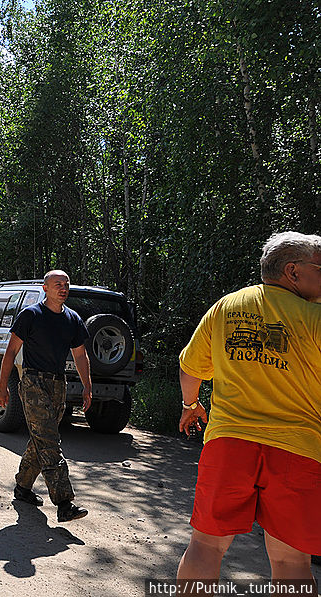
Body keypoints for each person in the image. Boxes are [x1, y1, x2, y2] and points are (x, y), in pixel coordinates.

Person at [176, 231, 321, 593]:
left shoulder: (227, 306)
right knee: (291, 561)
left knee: (206, 546)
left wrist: (190, 405)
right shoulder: (315, 317)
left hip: (229, 444)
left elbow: (190, 369)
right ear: (294, 271)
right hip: (298, 450)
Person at [0, 270, 93, 523]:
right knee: (49, 440)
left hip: (58, 384)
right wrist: (2, 385)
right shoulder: (31, 315)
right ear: (45, 288)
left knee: (41, 438)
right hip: (33, 382)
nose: (63, 288)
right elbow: (11, 350)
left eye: (66, 284)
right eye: (57, 284)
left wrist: (87, 386)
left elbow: (81, 355)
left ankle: (22, 487)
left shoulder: (72, 319)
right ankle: (64, 502)